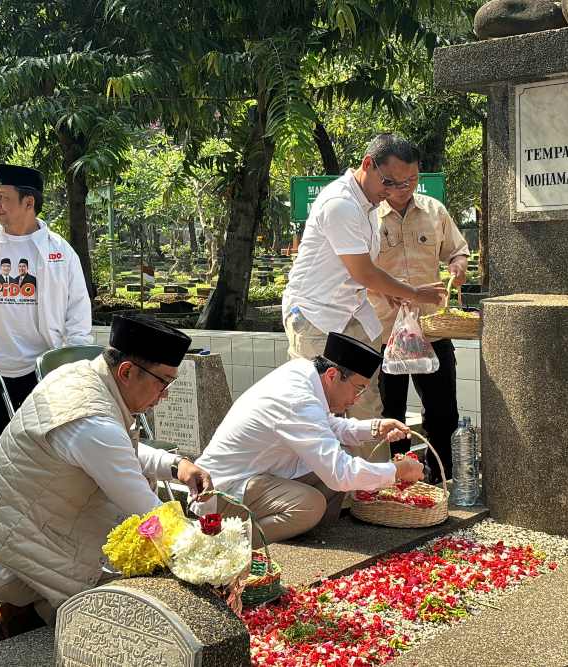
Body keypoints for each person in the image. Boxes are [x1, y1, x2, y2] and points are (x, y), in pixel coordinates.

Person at [0, 314, 215, 640]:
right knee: (141, 595)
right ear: (126, 372)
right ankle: (32, 609)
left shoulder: (80, 375)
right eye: (164, 381)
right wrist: (211, 556)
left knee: (129, 550)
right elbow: (151, 515)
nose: (165, 394)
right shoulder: (94, 422)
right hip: (7, 558)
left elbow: (115, 450)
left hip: (7, 529)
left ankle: (23, 618)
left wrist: (176, 465)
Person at [195, 332, 424, 545]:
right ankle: (223, 541)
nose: (356, 399)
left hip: (261, 475)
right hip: (223, 491)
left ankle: (310, 538)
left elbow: (323, 424)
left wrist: (375, 428)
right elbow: (341, 473)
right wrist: (398, 470)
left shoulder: (305, 373)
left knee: (334, 475)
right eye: (358, 389)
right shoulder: (296, 399)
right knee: (310, 504)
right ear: (333, 375)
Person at [282, 133, 447, 416]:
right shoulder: (341, 204)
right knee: (317, 406)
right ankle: (327, 460)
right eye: (390, 181)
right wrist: (414, 294)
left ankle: (370, 460)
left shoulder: (367, 204)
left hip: (351, 313)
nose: (398, 189)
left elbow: (357, 269)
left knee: (364, 401)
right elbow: (363, 272)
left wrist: (386, 289)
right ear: (368, 164)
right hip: (314, 317)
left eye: (409, 182)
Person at [0, 163, 93, 460]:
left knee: (37, 455)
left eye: (3, 198)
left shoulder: (59, 252)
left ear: (29, 202)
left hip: (40, 371)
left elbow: (77, 308)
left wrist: (76, 357)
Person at [369, 177, 470, 483]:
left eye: (411, 180)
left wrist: (459, 265)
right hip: (385, 331)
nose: (405, 187)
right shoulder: (371, 217)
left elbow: (457, 250)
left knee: (442, 411)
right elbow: (357, 269)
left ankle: (443, 476)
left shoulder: (434, 210)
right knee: (390, 413)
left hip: (431, 327)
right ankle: (397, 479)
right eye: (397, 181)